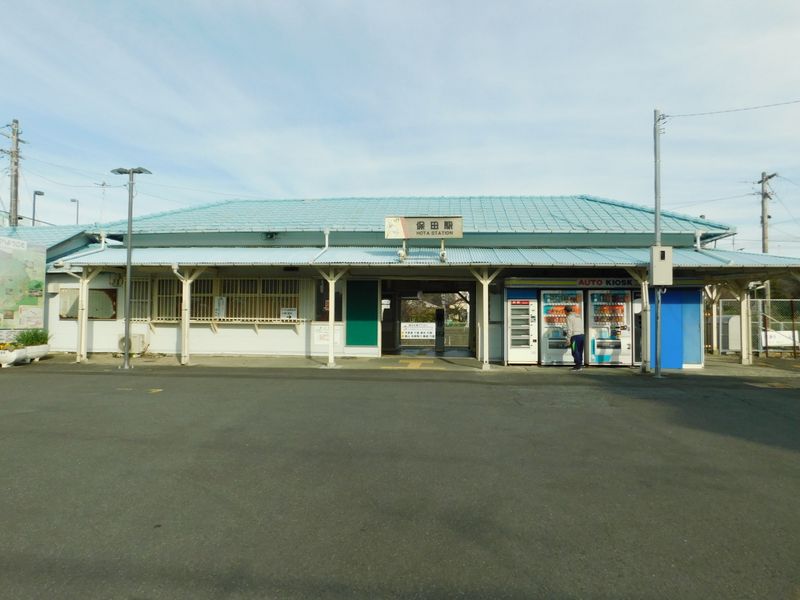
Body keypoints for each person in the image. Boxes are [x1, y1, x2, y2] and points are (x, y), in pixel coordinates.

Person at [564, 305, 585, 371]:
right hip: (582, 336)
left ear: (566, 311)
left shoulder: (569, 317)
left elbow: (570, 329)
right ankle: (579, 365)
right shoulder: (578, 316)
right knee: (580, 351)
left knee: (575, 351)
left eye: (564, 311)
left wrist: (568, 339)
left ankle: (578, 367)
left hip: (575, 337)